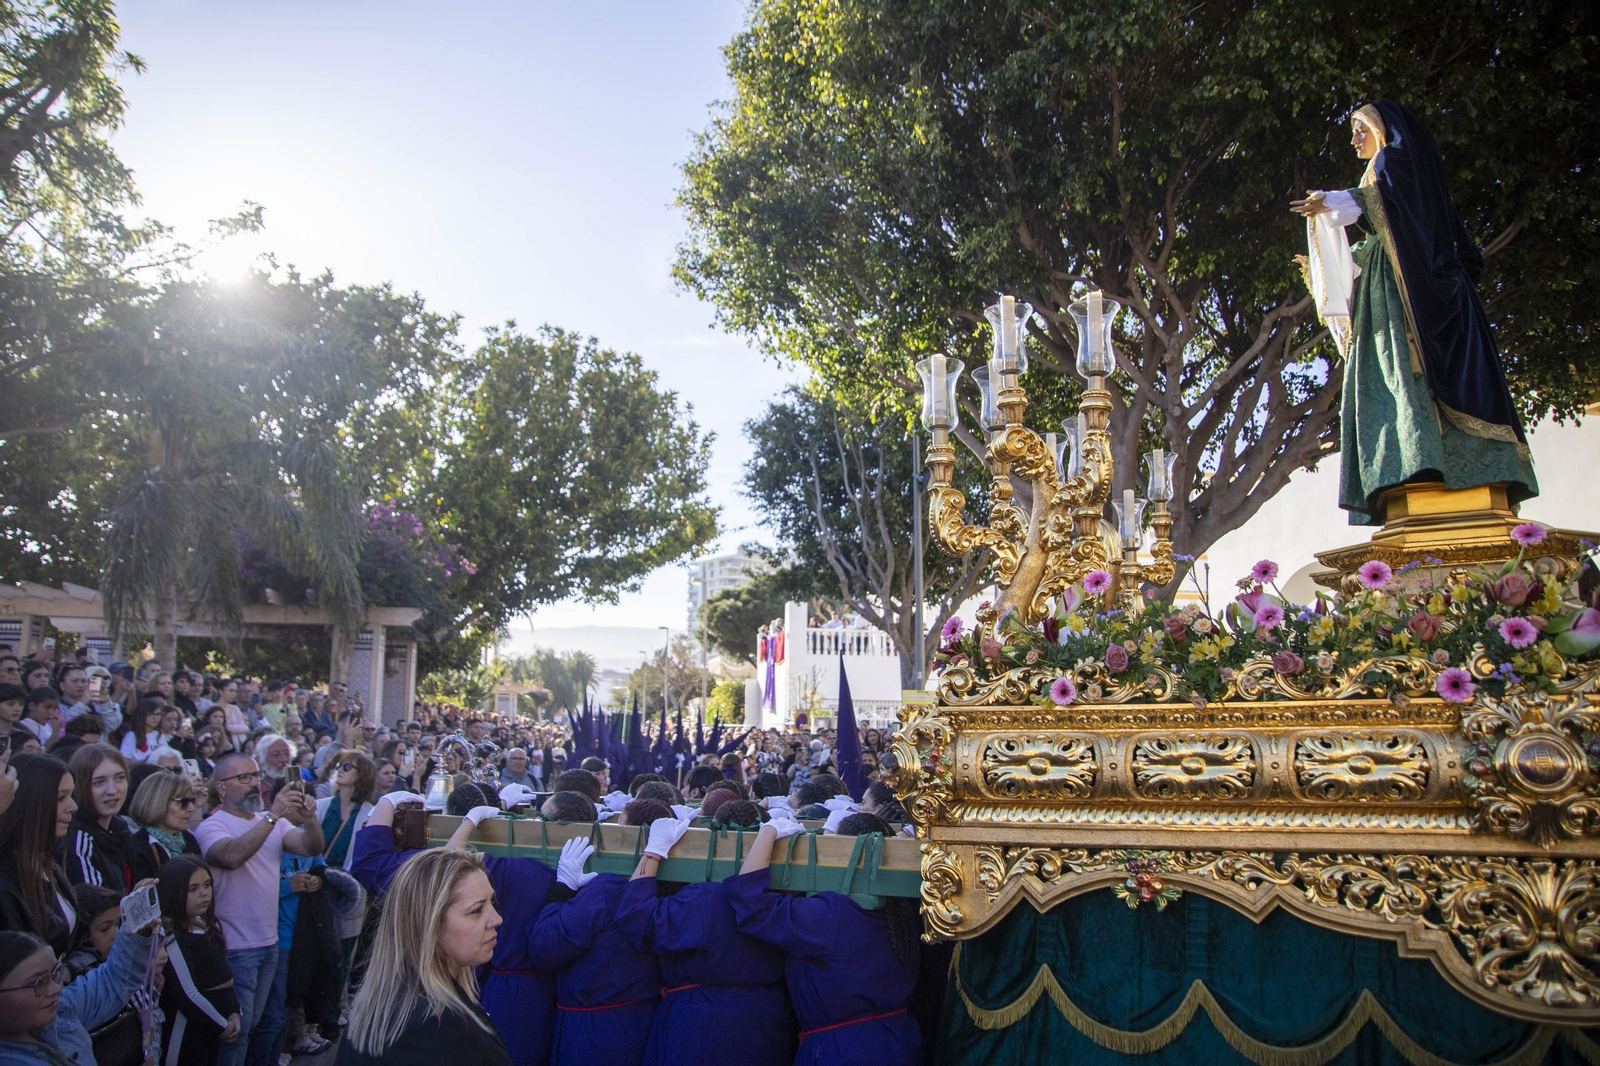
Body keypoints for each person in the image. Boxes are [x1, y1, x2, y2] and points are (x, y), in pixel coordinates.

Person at [1291, 101, 1537, 526]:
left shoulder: (1396, 162)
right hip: (1391, 281)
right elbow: (1384, 235)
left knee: (1403, 372)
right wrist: (1323, 266)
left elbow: (1396, 208)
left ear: (1383, 130)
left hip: (1411, 292)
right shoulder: (1383, 169)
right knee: (1390, 375)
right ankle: (1412, 468)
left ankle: (1425, 462)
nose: (1354, 140)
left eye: (1360, 130)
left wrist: (1333, 200)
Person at [728, 811, 922, 1065]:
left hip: (844, 1051)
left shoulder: (832, 913)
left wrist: (769, 831)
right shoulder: (901, 906)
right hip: (899, 1041)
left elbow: (752, 906)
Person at [618, 801, 796, 1066]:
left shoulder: (703, 898)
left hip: (701, 1023)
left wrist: (654, 852)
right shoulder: (785, 893)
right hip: (767, 1018)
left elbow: (636, 917)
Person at [194, 752, 324, 1066]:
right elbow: (231, 856)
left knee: (261, 1025)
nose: (254, 783)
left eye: (256, 776)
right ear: (221, 788)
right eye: (244, 778)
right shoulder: (212, 826)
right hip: (235, 947)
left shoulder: (271, 822)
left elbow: (311, 847)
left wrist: (309, 818)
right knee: (236, 1031)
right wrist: (273, 815)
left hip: (270, 943)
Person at [336, 848, 510, 1066]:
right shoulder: (434, 1030)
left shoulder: (394, 1004)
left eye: (491, 902)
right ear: (429, 925)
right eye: (476, 910)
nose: (496, 919)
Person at [529, 830, 662, 1066]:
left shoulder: (604, 890)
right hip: (647, 1021)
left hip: (594, 1033)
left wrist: (563, 887)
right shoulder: (675, 887)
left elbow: (545, 947)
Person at [0, 906, 160, 1065]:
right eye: (38, 983)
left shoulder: (59, 1009)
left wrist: (138, 932)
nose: (57, 989)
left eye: (55, 973)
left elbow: (112, 983)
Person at [158, 855, 242, 1065]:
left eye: (207, 885)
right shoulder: (174, 938)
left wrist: (234, 1012)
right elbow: (187, 994)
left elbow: (225, 976)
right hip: (186, 1031)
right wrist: (221, 1026)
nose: (204, 893)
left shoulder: (206, 927)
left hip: (213, 1029)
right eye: (193, 889)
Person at [316, 751, 377, 1033]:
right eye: (339, 766)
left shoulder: (369, 813)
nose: (340, 770)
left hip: (350, 892)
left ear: (361, 775)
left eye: (348, 767)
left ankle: (332, 1012)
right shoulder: (320, 807)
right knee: (316, 953)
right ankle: (314, 1019)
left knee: (341, 955)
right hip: (316, 888)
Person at [0, 755, 81, 957]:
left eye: (71, 795)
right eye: (61, 798)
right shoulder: (5, 881)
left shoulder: (45, 861)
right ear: (31, 802)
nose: (73, 806)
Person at [60, 744, 134, 893]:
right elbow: (99, 904)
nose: (112, 790)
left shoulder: (121, 828)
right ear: (79, 785)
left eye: (119, 778)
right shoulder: (78, 841)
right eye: (99, 782)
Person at [128, 769, 205, 882]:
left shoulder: (189, 839)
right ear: (157, 802)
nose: (191, 808)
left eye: (191, 800)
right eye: (182, 802)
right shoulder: (138, 847)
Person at [118, 696, 165, 763]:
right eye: (150, 714)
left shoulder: (160, 736)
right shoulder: (132, 735)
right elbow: (124, 761)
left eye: (158, 714)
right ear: (142, 715)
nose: (155, 717)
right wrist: (146, 761)